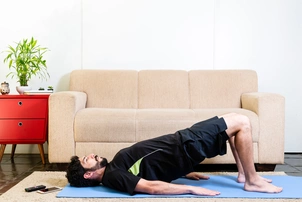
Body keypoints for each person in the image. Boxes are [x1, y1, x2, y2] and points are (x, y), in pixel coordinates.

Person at [66, 113, 283, 196]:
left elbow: (149, 167)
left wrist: (186, 173)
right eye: (88, 159)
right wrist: (190, 189)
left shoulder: (114, 169)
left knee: (236, 125)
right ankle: (252, 180)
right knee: (242, 123)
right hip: (187, 145)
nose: (92, 155)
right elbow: (151, 187)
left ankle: (245, 175)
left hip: (185, 140)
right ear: (88, 175)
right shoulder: (113, 176)